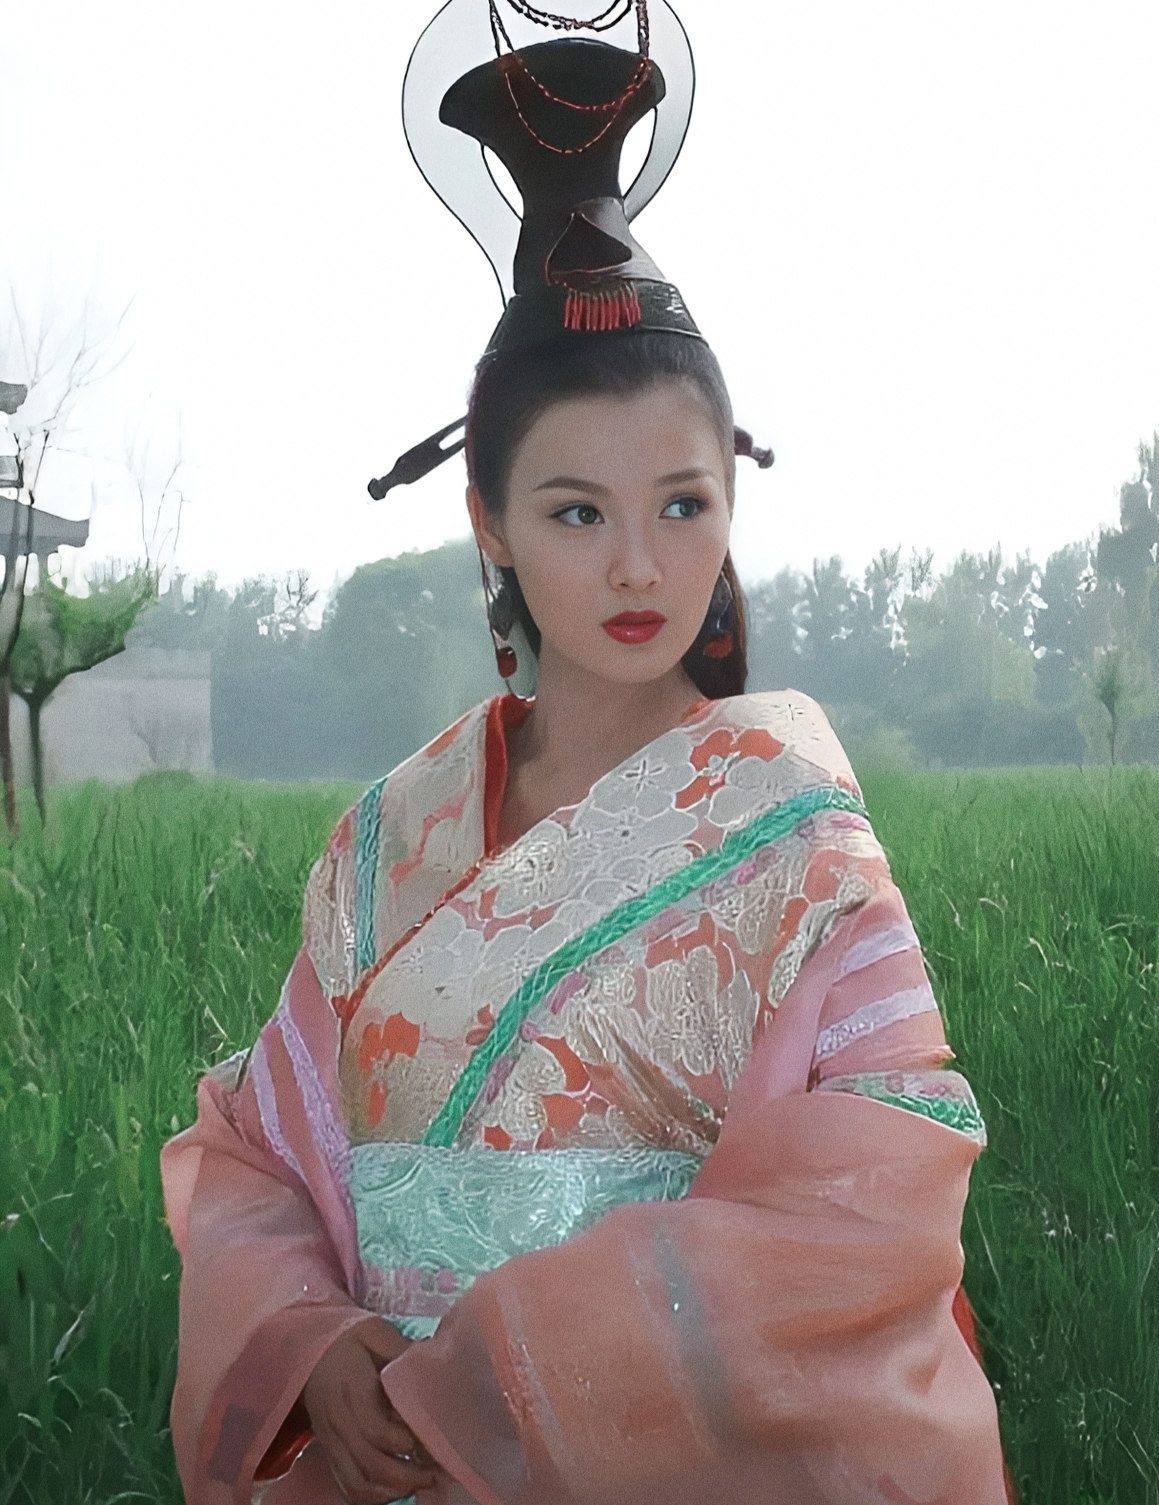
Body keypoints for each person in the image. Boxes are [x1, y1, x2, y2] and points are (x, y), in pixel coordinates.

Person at [161, 5, 1011, 1502]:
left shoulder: (795, 829)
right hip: (394, 1462)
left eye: (683, 503)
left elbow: (877, 1200)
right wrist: (315, 1343)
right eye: (575, 511)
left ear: (732, 502)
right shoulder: (390, 838)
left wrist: (512, 1373)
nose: (637, 564)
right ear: (486, 520)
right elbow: (260, 1158)